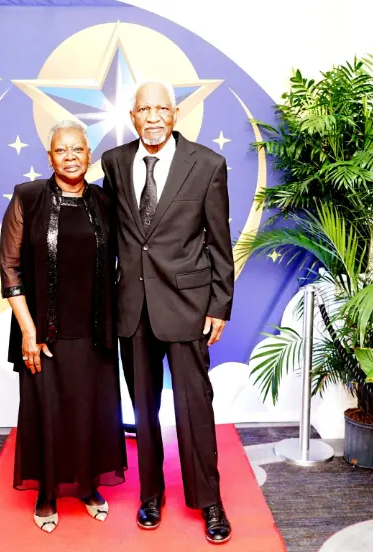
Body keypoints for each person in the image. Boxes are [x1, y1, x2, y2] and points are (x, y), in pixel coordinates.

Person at [101, 82, 234, 544]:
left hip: (187, 306)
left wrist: (219, 305)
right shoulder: (114, 162)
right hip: (132, 308)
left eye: (162, 109)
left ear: (175, 114)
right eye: (145, 109)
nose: (153, 117)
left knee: (194, 405)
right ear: (132, 116)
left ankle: (209, 499)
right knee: (144, 408)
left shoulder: (208, 164)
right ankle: (151, 494)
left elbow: (219, 242)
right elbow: (114, 234)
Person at [0, 120, 126, 533]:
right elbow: (10, 268)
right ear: (49, 157)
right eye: (61, 150)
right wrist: (29, 331)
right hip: (42, 333)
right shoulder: (28, 197)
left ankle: (87, 485)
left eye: (77, 149)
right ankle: (47, 492)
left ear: (89, 155)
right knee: (47, 413)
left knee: (91, 410)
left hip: (95, 331)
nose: (70, 157)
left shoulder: (105, 201)